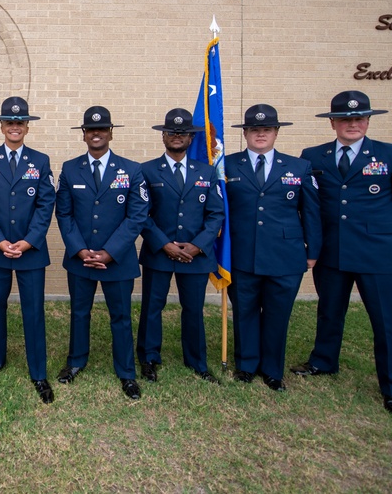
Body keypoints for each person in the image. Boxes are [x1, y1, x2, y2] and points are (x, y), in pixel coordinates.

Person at [290, 91, 392, 418]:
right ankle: (323, 361)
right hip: (332, 251)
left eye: (360, 118)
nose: (353, 123)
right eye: (346, 119)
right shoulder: (313, 157)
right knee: (329, 311)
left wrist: (384, 231)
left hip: (379, 254)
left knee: (388, 322)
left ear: (367, 121)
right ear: (334, 122)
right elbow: (309, 204)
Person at [224, 104, 321, 391]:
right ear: (246, 134)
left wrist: (313, 252)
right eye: (254, 129)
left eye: (266, 129)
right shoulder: (228, 165)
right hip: (243, 254)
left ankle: (272, 370)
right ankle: (246, 365)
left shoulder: (298, 167)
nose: (260, 134)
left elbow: (312, 212)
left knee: (278, 315)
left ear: (276, 132)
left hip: (286, 256)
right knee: (245, 312)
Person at [55, 106, 149, 400]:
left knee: (120, 316)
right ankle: (75, 362)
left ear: (111, 133)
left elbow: (136, 216)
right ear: (83, 134)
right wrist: (80, 250)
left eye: (102, 129)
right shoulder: (70, 169)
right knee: (79, 313)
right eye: (90, 129)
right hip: (80, 258)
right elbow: (64, 214)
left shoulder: (132, 170)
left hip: (117, 261)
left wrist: (110, 252)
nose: (96, 133)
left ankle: (126, 373)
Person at [0, 97, 56, 404]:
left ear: (27, 127)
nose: (15, 127)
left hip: (30, 250)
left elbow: (46, 203)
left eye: (20, 122)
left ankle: (38, 372)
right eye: (10, 122)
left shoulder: (41, 161)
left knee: (33, 311)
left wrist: (29, 240)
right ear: (1, 126)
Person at [137, 108, 225, 384]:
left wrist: (197, 246)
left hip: (195, 255)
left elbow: (215, 214)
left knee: (193, 308)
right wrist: (165, 245)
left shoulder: (207, 172)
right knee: (153, 306)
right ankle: (149, 358)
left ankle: (197, 361)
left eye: (183, 133)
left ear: (191, 137)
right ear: (163, 136)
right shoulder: (147, 170)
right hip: (159, 252)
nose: (177, 136)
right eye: (172, 132)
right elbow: (142, 214)